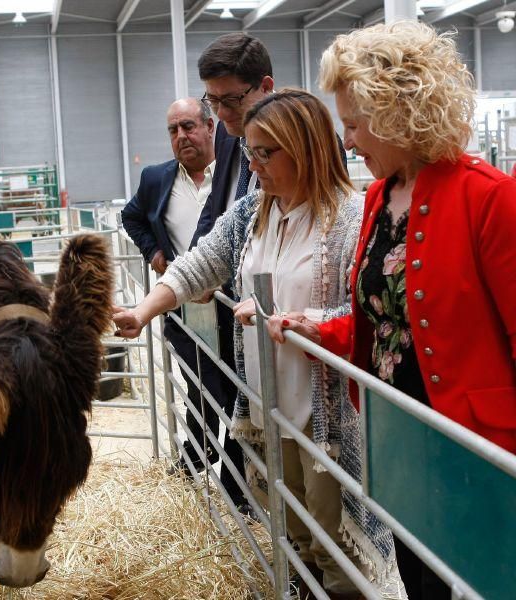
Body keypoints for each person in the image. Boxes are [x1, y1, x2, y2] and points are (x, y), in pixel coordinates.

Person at [267, 21, 516, 600]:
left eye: (353, 124)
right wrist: (324, 328)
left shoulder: (489, 197)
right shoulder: (377, 197)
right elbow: (389, 320)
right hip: (398, 436)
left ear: (398, 114)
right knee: (418, 578)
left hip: (473, 446)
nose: (347, 141)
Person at [115, 88, 394, 600]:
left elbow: (366, 313)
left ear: (305, 149)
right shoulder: (254, 211)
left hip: (326, 410)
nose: (253, 164)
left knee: (335, 536)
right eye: (250, 151)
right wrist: (142, 310)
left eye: (267, 153)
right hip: (268, 398)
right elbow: (200, 263)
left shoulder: (352, 216)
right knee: (290, 521)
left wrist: (298, 320)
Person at [120, 98, 247, 506]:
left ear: (211, 127)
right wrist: (154, 253)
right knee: (202, 387)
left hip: (234, 310)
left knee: (238, 394)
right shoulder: (156, 179)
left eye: (189, 126)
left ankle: (230, 481)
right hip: (184, 308)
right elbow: (131, 217)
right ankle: (198, 464)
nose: (181, 136)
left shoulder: (235, 174)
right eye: (173, 130)